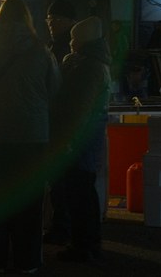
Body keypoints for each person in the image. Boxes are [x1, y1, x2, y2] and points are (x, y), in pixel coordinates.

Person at [0, 0, 59, 273]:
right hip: (31, 138)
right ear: (27, 19)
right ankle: (27, 261)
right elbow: (54, 91)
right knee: (29, 203)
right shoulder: (41, 51)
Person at [54, 16, 112, 263]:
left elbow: (79, 108)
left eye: (74, 40)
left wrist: (69, 139)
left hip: (81, 137)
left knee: (79, 191)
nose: (71, 44)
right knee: (84, 190)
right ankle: (88, 243)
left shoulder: (88, 68)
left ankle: (83, 246)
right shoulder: (96, 64)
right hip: (88, 134)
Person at [44, 0, 76, 246]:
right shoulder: (56, 47)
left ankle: (63, 226)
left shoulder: (67, 50)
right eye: (49, 20)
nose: (51, 24)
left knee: (61, 179)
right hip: (59, 121)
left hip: (60, 121)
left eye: (56, 20)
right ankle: (62, 224)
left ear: (70, 22)